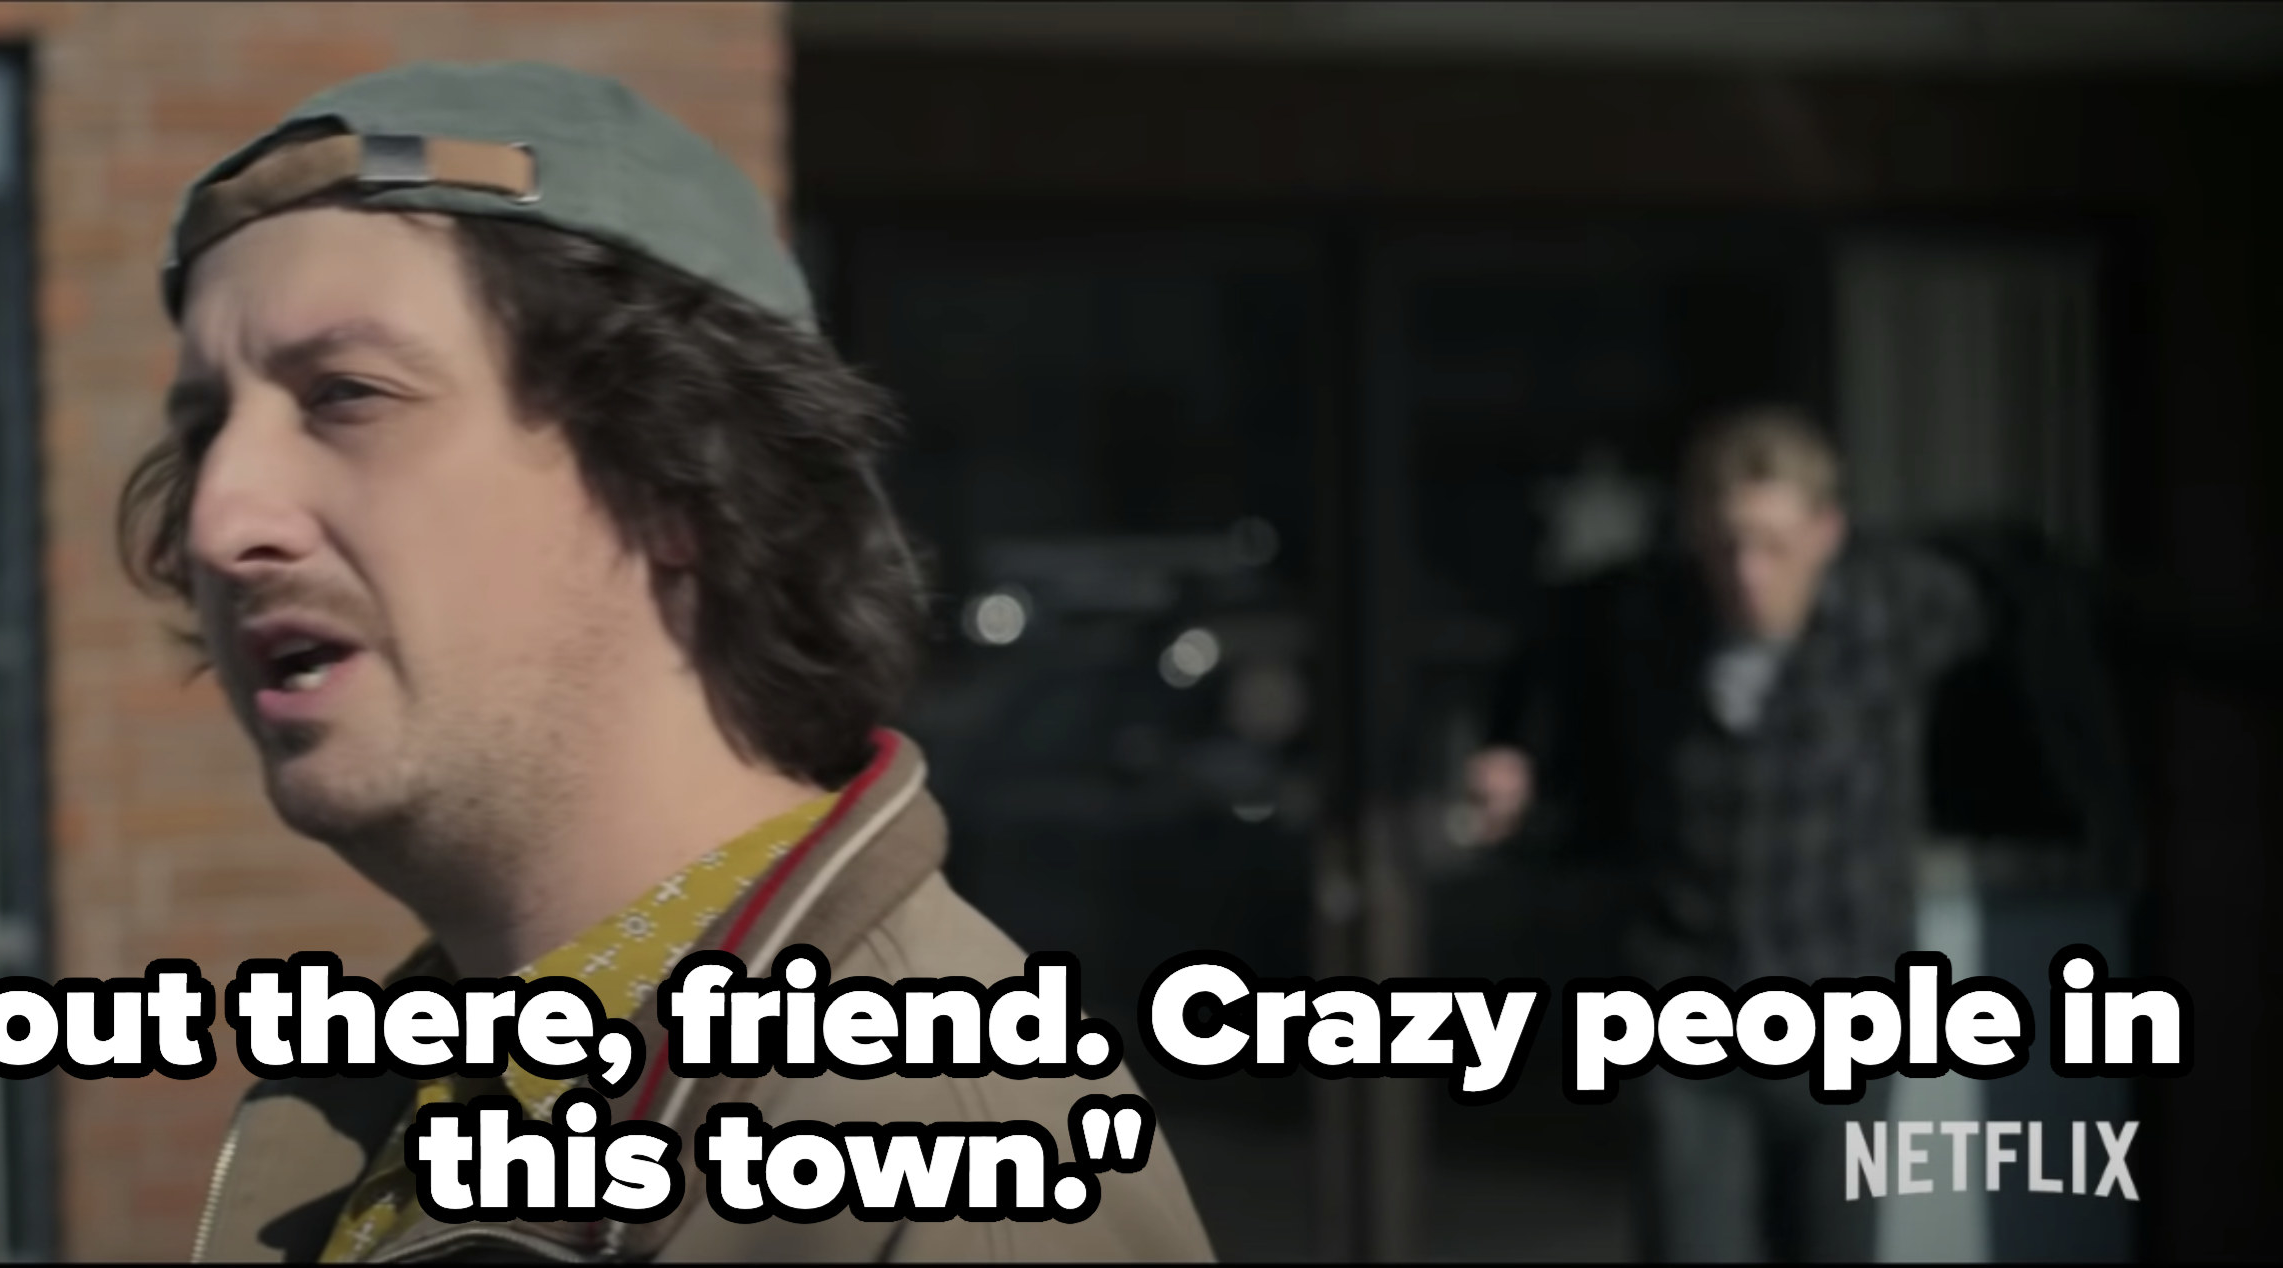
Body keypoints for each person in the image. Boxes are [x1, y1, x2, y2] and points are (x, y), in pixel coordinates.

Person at [130, 62, 1215, 1262]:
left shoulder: (941, 1176)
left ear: (675, 474)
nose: (220, 519)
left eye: (346, 394)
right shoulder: (395, 1098)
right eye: (202, 429)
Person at [1462, 406, 1987, 1262]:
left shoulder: (1896, 609)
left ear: (1826, 534)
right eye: (1725, 545)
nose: (1747, 572)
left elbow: (2025, 617)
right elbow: (1550, 657)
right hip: (1691, 1010)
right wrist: (1517, 756)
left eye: (1774, 546)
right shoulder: (1647, 615)